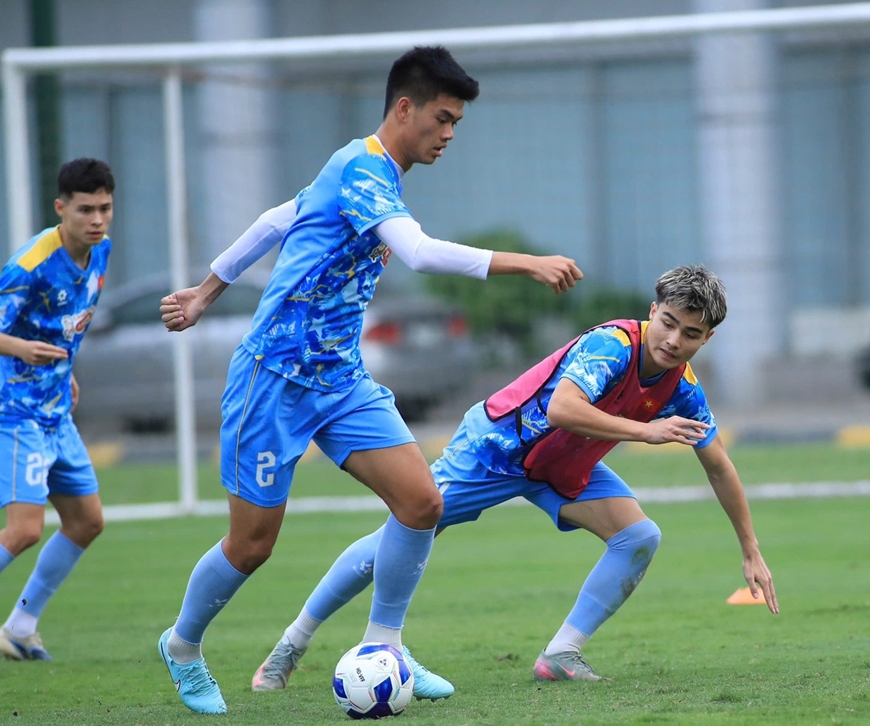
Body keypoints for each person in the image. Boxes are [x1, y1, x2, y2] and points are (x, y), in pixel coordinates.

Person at [156, 45, 583, 715]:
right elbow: (419, 253)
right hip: (273, 380)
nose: (449, 134)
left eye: (457, 123)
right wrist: (526, 262)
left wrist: (208, 291)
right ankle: (182, 645)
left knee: (421, 502)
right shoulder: (363, 169)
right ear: (404, 108)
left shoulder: (365, 171)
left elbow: (279, 217)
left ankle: (387, 646)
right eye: (443, 119)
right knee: (252, 545)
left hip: (341, 382)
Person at [249, 264, 779, 695]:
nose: (673, 340)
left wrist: (751, 549)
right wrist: (646, 431)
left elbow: (718, 464)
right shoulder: (613, 346)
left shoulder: (682, 386)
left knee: (639, 536)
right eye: (668, 323)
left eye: (691, 334)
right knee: (402, 532)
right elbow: (564, 409)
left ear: (707, 338)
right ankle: (291, 646)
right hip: (495, 452)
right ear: (652, 311)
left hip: (561, 467)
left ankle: (561, 654)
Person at [0, 158, 115, 662]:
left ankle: (20, 628)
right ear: (60, 208)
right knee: (25, 528)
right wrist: (20, 349)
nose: (97, 219)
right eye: (86, 209)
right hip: (14, 410)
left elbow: (66, 321)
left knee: (86, 521)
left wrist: (65, 371)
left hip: (55, 410)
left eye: (105, 208)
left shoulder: (100, 250)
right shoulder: (30, 266)